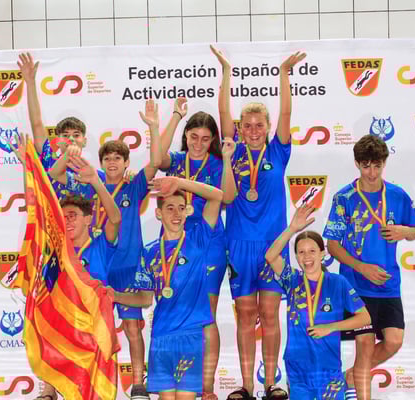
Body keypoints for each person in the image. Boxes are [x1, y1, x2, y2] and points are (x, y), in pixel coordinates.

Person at [49, 100, 163, 400]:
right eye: (107, 158)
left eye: (118, 158)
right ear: (101, 163)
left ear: (126, 163)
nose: (112, 162)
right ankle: (81, 381)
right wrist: (67, 153)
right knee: (88, 325)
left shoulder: (133, 186)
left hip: (127, 262)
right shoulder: (90, 181)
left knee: (133, 325)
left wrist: (153, 127)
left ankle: (138, 383)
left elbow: (155, 162)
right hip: (98, 263)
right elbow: (55, 176)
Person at [211, 45, 306, 400]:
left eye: (259, 125)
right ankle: (247, 385)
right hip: (238, 244)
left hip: (272, 245)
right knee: (245, 315)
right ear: (239, 128)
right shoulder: (232, 149)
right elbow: (223, 110)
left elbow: (287, 111)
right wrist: (226, 72)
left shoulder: (279, 150)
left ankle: (270, 384)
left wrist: (283, 73)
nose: (252, 130)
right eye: (247, 125)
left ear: (267, 128)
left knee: (269, 313)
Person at [11, 134, 122, 400]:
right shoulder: (55, 251)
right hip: (66, 331)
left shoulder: (101, 245)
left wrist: (95, 181)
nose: (67, 221)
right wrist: (28, 166)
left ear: (88, 219)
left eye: (73, 216)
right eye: (64, 217)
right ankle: (49, 390)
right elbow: (38, 205)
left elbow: (116, 217)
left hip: (94, 330)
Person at [323, 134, 415, 400]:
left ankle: (349, 377)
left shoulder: (397, 195)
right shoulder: (344, 198)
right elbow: (332, 246)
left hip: (388, 284)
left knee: (394, 341)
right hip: (356, 285)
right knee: (365, 345)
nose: (372, 172)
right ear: (357, 164)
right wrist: (362, 267)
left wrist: (404, 231)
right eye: (366, 166)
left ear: (384, 163)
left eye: (377, 166)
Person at [128, 174, 223, 400]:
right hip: (161, 337)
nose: (176, 214)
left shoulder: (198, 240)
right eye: (170, 208)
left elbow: (217, 196)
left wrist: (179, 183)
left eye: (181, 208)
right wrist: (113, 295)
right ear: (158, 213)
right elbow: (144, 300)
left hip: (190, 335)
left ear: (188, 212)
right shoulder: (149, 251)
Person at [265, 204, 371, 400]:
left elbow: (364, 318)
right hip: (298, 368)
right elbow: (270, 256)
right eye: (301, 252)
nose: (307, 257)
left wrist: (330, 327)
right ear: (296, 256)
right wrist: (292, 229)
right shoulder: (292, 279)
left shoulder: (338, 282)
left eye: (312, 251)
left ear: (322, 254)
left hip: (328, 368)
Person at [158, 97, 226, 400]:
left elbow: (224, 197)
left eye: (205, 138)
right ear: (185, 136)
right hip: (174, 242)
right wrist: (175, 116)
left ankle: (207, 387)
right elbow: (157, 157)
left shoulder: (219, 163)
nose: (198, 144)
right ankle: (179, 381)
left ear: (213, 141)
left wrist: (180, 182)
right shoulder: (175, 159)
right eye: (193, 136)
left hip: (208, 242)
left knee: (206, 315)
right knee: (174, 311)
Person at [17, 52, 87, 199]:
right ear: (58, 140)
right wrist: (30, 83)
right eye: (65, 135)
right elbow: (36, 123)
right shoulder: (48, 159)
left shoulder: (91, 173)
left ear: (84, 141)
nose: (71, 139)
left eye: (76, 135)